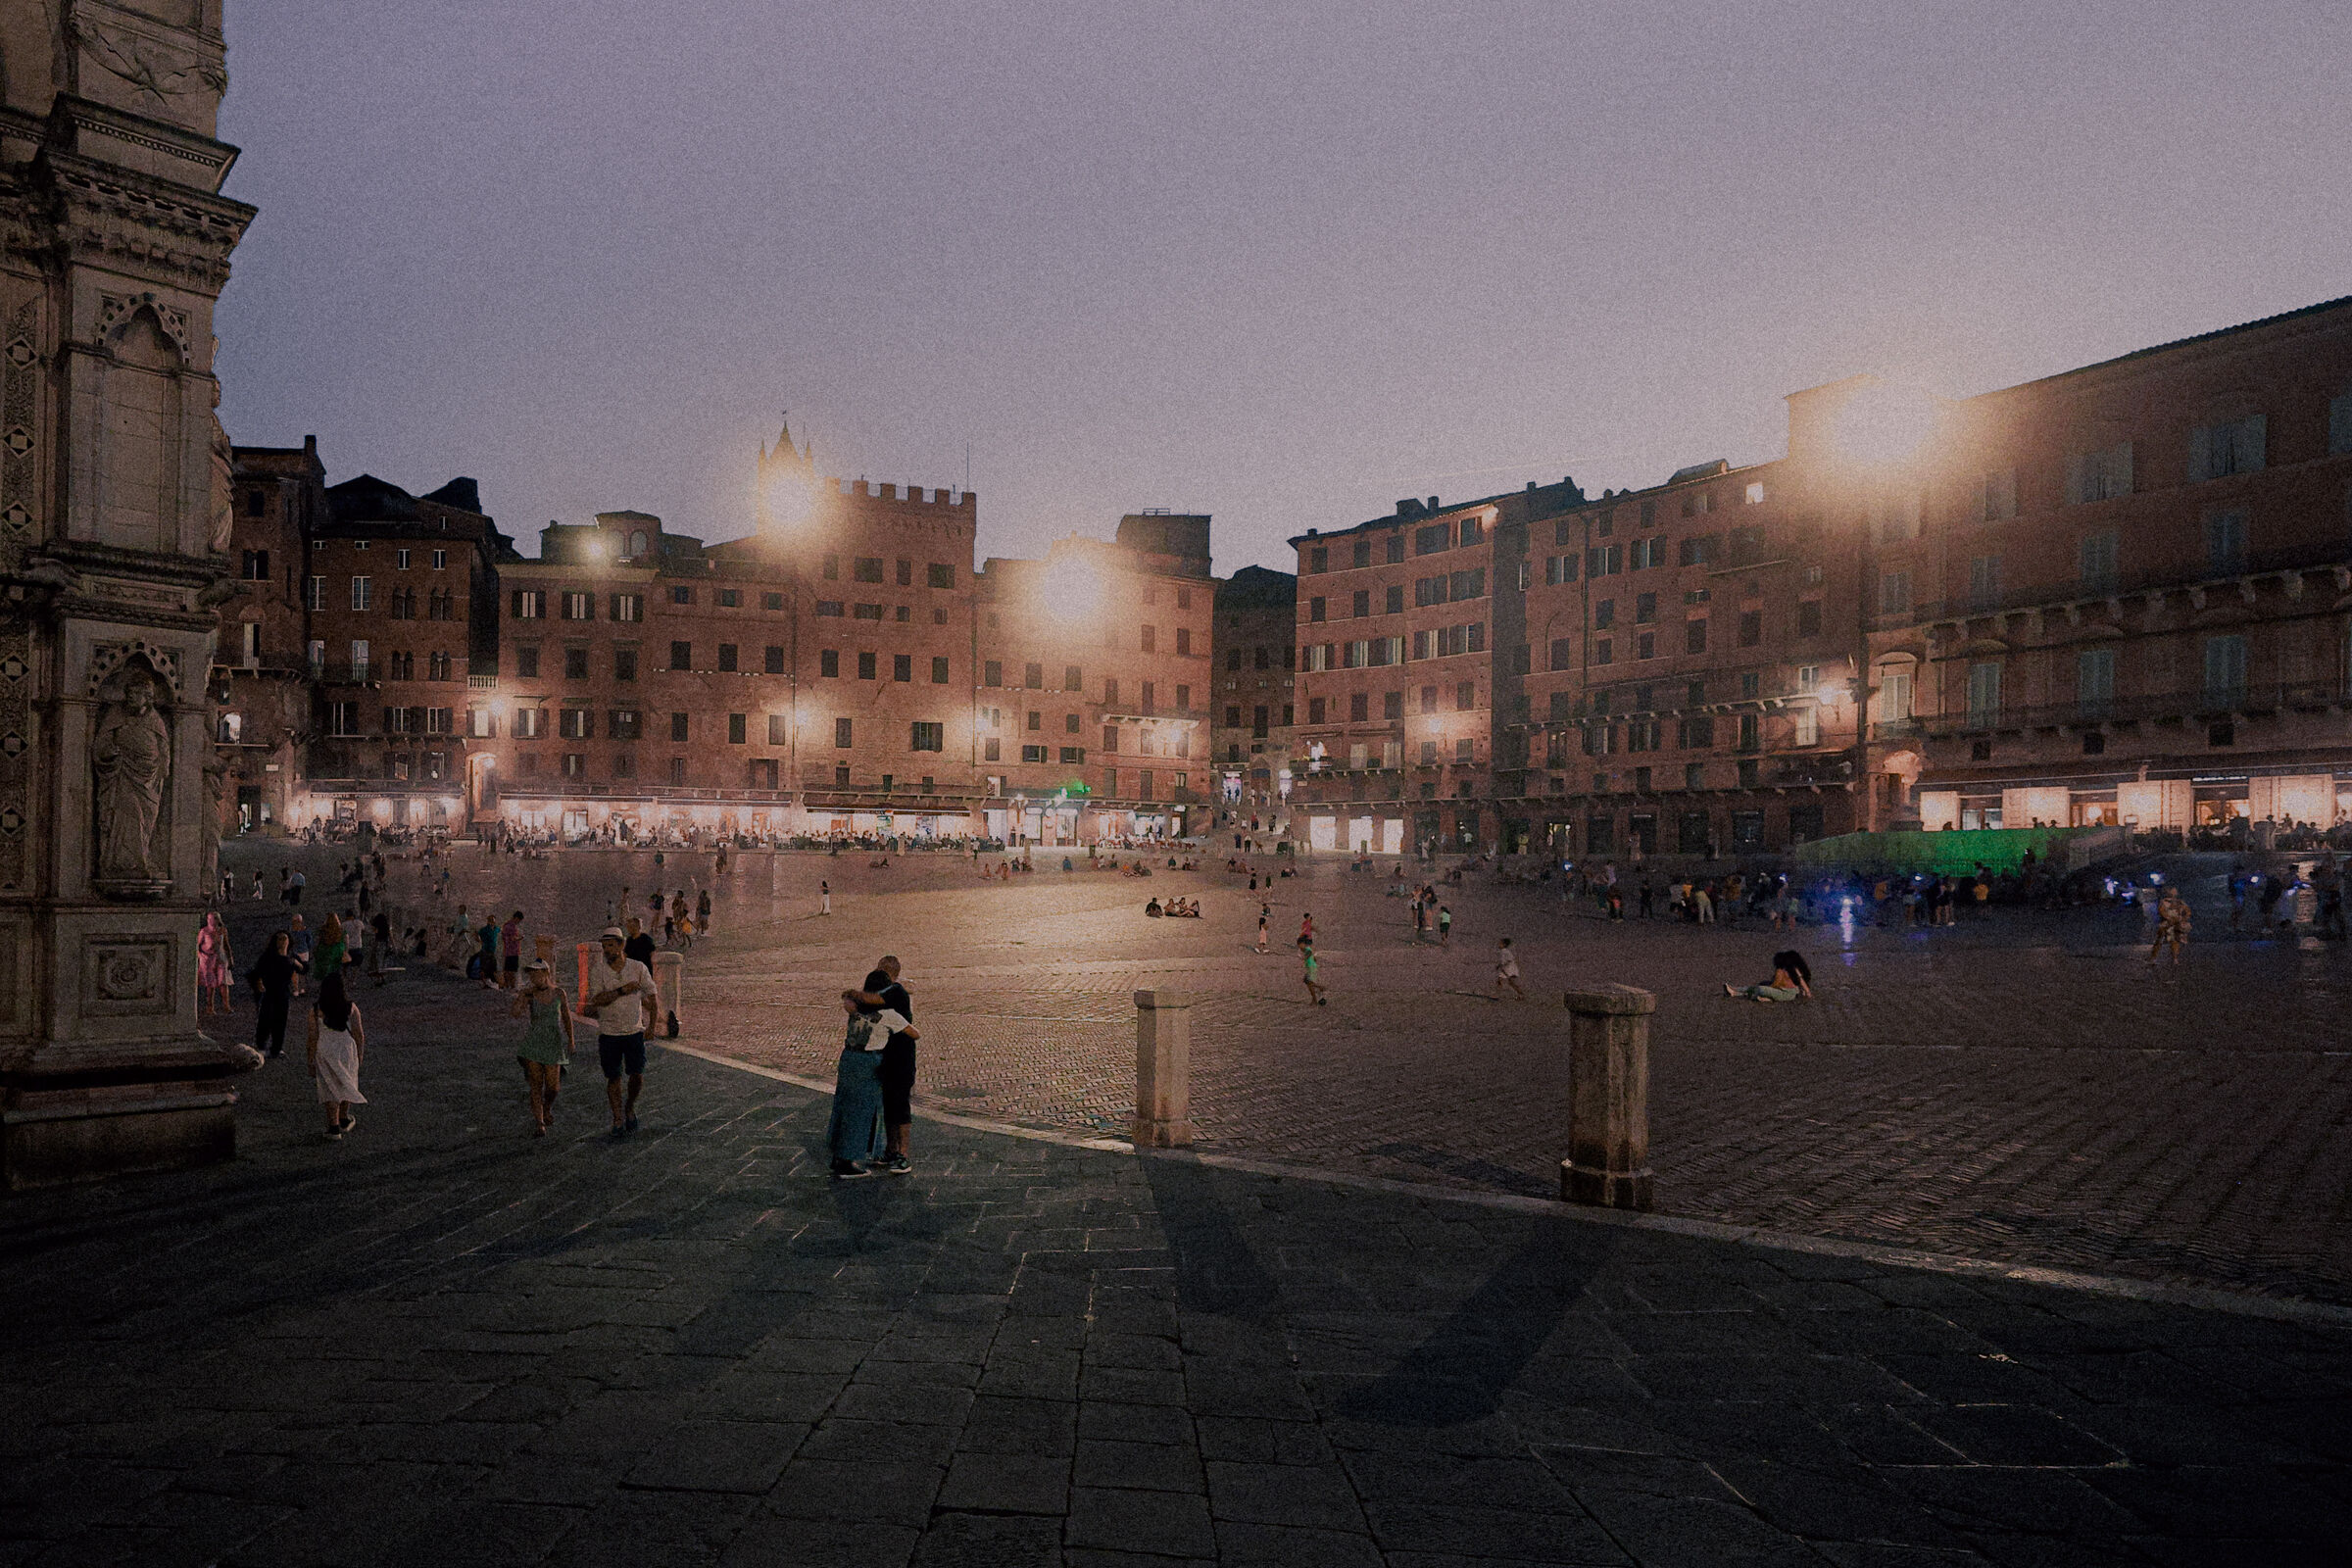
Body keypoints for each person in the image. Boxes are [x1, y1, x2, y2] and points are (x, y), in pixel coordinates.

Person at [828, 973, 912, 1178]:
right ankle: (848, 1161)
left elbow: (848, 1001)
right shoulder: (888, 1016)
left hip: (848, 1059)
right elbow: (914, 1033)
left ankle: (838, 1155)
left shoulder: (854, 1009)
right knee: (862, 1112)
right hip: (868, 1063)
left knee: (844, 1107)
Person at [585, 927, 655, 1135]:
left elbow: (652, 995)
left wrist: (652, 1025)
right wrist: (622, 990)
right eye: (604, 946)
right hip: (608, 1033)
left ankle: (629, 1106)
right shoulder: (598, 971)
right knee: (613, 1077)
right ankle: (617, 1118)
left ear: (621, 945)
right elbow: (597, 999)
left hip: (634, 1031)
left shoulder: (638, 968)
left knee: (637, 1075)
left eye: (611, 945)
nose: (607, 950)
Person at [511, 958, 574, 1137]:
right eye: (531, 974)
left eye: (537, 973)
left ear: (546, 973)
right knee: (536, 1084)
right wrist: (521, 998)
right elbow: (515, 1013)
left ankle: (547, 1108)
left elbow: (567, 1018)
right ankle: (539, 1121)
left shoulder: (559, 993)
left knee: (553, 1087)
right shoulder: (529, 994)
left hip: (553, 1043)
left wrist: (571, 1040)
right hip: (534, 1043)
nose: (533, 977)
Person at [307, 975, 366, 1140]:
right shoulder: (351, 1007)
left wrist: (310, 1060)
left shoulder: (316, 1010)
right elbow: (359, 1034)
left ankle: (333, 1127)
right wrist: (360, 1054)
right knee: (346, 1081)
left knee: (329, 1086)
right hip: (346, 1048)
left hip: (325, 1049)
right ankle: (344, 1118)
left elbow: (312, 1037)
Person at [248, 930, 300, 1061]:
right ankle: (261, 1045)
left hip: (283, 993)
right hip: (270, 991)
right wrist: (259, 983)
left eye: (284, 939)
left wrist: (297, 963)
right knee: (266, 1019)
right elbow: (257, 971)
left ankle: (276, 1048)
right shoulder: (269, 956)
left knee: (281, 1021)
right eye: (280, 939)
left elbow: (304, 969)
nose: (282, 942)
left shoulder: (290, 957)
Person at [1726, 951, 1814, 1003]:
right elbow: (1800, 979)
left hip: (1784, 993)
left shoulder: (1781, 971)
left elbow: (1775, 986)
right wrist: (1807, 992)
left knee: (1759, 989)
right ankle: (1735, 992)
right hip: (1791, 993)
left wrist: (1768, 989)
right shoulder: (1792, 969)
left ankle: (1736, 991)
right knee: (1761, 989)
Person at [197, 911, 233, 1016]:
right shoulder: (203, 931)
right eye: (211, 918)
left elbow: (226, 945)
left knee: (223, 982)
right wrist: (200, 956)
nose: (213, 921)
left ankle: (226, 1006)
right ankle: (210, 1007)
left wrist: (230, 958)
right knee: (210, 984)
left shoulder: (222, 931)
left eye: (215, 918)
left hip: (221, 958)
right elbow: (197, 946)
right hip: (208, 959)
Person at [2151, 885, 2191, 965]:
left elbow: (2188, 911)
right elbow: (2162, 911)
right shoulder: (2164, 902)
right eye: (2172, 890)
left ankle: (2175, 958)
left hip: (2176, 923)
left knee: (2175, 941)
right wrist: (2169, 918)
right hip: (2166, 923)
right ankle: (2153, 958)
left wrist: (2183, 918)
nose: (2174, 892)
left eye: (2175, 890)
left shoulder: (2180, 902)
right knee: (2159, 940)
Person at [1494, 937, 1526, 1002]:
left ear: (1504, 945)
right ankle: (1519, 994)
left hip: (1508, 968)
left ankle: (1501, 996)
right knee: (1509, 982)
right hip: (1507, 968)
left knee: (1508, 982)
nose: (1498, 944)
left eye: (1500, 943)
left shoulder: (1505, 952)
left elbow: (1508, 960)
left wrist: (1501, 965)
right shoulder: (1504, 951)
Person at [500, 910, 523, 990]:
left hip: (507, 950)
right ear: (516, 918)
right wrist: (521, 937)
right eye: (519, 920)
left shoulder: (506, 925)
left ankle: (506, 985)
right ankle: (512, 987)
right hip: (513, 951)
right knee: (512, 970)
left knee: (507, 969)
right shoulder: (512, 926)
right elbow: (513, 938)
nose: (519, 922)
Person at [1300, 937, 1327, 1005]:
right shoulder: (1308, 949)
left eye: (1301, 944)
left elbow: (1308, 955)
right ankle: (1314, 999)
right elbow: (1314, 959)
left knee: (1309, 983)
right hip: (1312, 967)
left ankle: (1320, 987)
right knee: (1308, 982)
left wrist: (1304, 958)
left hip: (1311, 968)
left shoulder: (1307, 950)